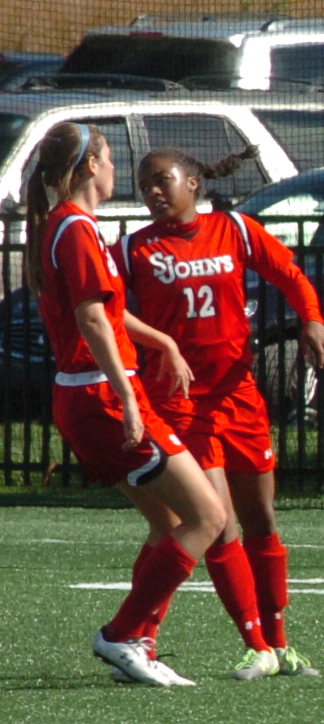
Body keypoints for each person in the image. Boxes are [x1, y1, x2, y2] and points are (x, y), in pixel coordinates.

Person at [121, 145, 324, 679]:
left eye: (162, 180)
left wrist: (311, 318)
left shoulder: (235, 229)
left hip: (238, 395)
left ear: (192, 183)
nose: (152, 191)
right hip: (182, 402)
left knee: (262, 517)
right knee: (219, 522)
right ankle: (254, 644)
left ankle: (280, 645)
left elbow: (289, 274)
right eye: (144, 184)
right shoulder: (133, 249)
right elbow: (106, 310)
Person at [25, 122, 230, 687]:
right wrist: (126, 397)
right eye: (111, 158)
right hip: (101, 396)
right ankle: (121, 635)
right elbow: (92, 320)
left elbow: (107, 313)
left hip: (89, 394)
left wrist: (161, 342)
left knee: (168, 522)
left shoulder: (70, 226)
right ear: (91, 165)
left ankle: (136, 645)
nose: (117, 169)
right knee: (209, 516)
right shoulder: (75, 229)